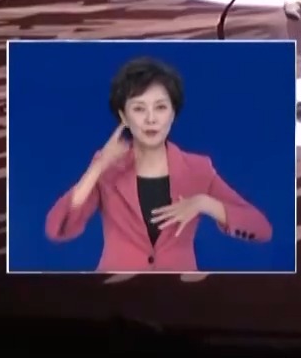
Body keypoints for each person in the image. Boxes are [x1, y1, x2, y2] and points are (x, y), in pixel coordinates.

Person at [44, 57, 272, 272]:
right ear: (123, 116)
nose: (151, 119)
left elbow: (261, 228)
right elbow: (57, 229)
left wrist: (204, 203)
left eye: (161, 107)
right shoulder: (108, 169)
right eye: (139, 108)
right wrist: (97, 167)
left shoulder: (197, 170)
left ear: (173, 113)